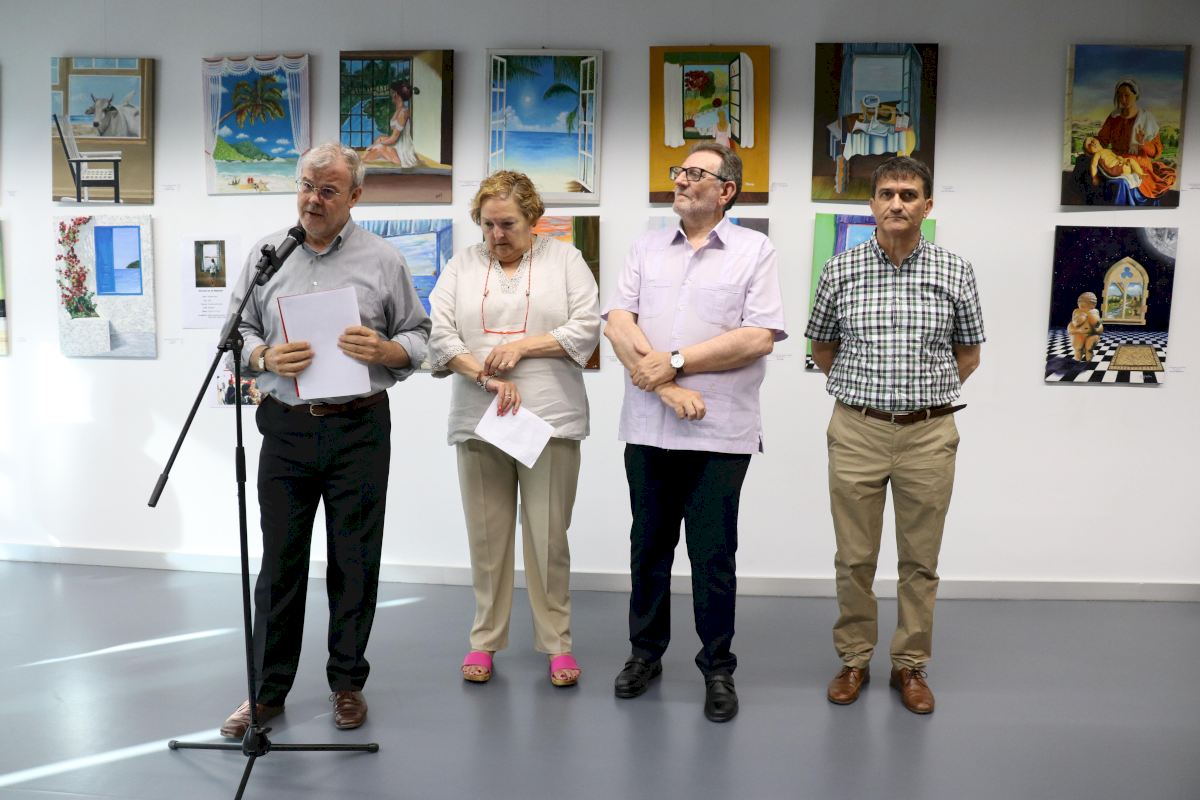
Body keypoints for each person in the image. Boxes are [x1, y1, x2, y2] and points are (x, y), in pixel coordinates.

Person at [218, 142, 430, 738]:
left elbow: (419, 336)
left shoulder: (383, 260)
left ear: (355, 196)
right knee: (279, 565)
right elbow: (236, 330)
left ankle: (347, 684)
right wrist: (263, 355)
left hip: (359, 428)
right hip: (285, 428)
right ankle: (265, 693)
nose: (313, 199)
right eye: (307, 186)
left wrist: (387, 350)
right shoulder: (266, 255)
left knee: (354, 562)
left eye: (329, 190)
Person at [602, 143, 786, 723]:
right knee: (648, 548)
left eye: (695, 173)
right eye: (679, 171)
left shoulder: (755, 251)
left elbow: (758, 337)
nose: (681, 180)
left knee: (713, 555)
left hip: (720, 434)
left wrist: (676, 362)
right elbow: (619, 323)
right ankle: (644, 655)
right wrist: (667, 388)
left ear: (726, 190)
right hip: (648, 426)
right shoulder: (645, 247)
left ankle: (717, 667)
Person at [806, 156, 984, 715]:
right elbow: (822, 347)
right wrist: (867, 395)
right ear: (872, 204)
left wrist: (921, 398)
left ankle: (910, 665)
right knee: (854, 558)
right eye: (886, 193)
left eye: (908, 194)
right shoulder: (840, 270)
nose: (897, 203)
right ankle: (854, 658)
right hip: (856, 430)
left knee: (920, 560)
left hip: (929, 435)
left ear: (927, 206)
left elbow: (969, 353)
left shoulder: (955, 271)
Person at [428, 171, 600, 687]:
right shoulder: (462, 264)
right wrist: (484, 375)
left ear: (533, 218)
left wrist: (522, 347)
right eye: (487, 225)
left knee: (548, 540)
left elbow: (586, 326)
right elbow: (440, 334)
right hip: (479, 417)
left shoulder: (565, 260)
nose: (496, 235)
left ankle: (557, 644)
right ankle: (484, 640)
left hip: (549, 419)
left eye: (507, 224)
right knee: (487, 538)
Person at [1082, 78, 1176, 204]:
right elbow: (1102, 141)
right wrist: (1090, 144)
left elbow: (1156, 153)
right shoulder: (1114, 117)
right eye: (1120, 96)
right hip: (1114, 162)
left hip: (1139, 165)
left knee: (1121, 184)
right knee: (1083, 164)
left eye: (1127, 95)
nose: (1123, 99)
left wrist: (1142, 142)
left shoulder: (1147, 119)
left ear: (1135, 95)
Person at [362, 80, 419, 168]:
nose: (391, 95)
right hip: (398, 143)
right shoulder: (399, 109)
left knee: (378, 147)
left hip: (402, 150)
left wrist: (376, 144)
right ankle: (364, 158)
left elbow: (394, 138)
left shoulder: (403, 112)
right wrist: (380, 141)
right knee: (380, 138)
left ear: (395, 94)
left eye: (392, 93)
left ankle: (362, 162)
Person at [1068, 291, 1103, 362]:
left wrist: (1096, 328)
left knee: (1089, 348)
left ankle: (1089, 360)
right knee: (1078, 348)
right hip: (1078, 334)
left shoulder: (1095, 312)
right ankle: (1077, 360)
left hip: (1092, 335)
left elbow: (1099, 325)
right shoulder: (1076, 311)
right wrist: (1076, 329)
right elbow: (1072, 325)